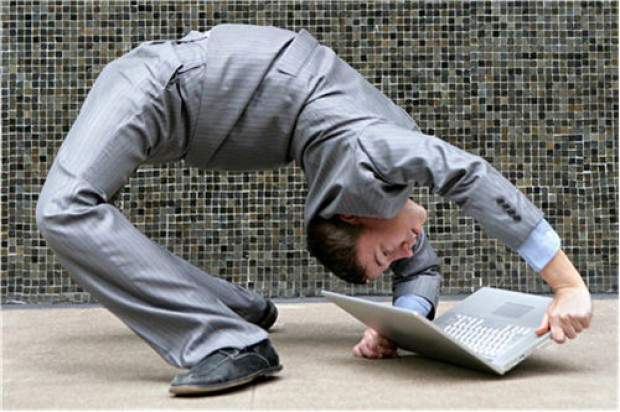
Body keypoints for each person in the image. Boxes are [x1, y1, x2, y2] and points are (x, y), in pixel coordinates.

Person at [36, 24, 592, 395]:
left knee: (78, 211)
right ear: (354, 214)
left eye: (387, 257)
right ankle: (231, 337)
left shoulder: (375, 190)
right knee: (66, 209)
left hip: (180, 99)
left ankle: (240, 311)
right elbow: (468, 173)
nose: (405, 251)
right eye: (387, 256)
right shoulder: (370, 155)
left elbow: (417, 268)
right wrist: (566, 284)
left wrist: (403, 325)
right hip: (156, 83)